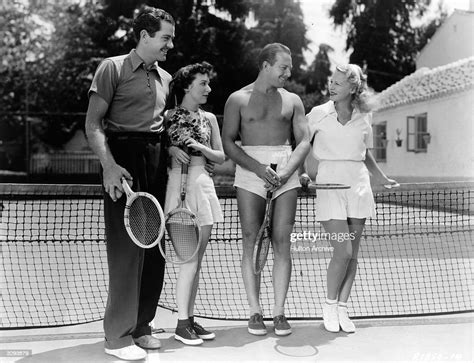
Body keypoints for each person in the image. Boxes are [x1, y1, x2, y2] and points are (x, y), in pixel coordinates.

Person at [85, 6, 175, 361]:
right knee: (126, 250)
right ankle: (117, 336)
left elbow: (161, 127)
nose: (169, 45)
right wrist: (108, 166)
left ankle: (142, 326)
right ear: (144, 36)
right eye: (165, 38)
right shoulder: (112, 67)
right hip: (123, 160)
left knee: (154, 247)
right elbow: (93, 124)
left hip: (156, 161)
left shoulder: (166, 78)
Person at [222, 43, 310, 336]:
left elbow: (304, 142)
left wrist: (287, 171)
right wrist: (259, 169)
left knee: (282, 241)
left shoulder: (294, 100)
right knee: (251, 240)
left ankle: (279, 312)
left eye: (290, 68)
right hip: (250, 172)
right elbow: (228, 143)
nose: (288, 72)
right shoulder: (237, 99)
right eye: (283, 67)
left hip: (285, 169)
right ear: (265, 66)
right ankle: (255, 312)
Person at [303, 64, 398, 333]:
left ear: (353, 88)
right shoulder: (318, 114)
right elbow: (302, 145)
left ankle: (343, 308)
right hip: (330, 182)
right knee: (342, 251)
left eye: (338, 83)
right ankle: (329, 305)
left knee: (353, 254)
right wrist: (303, 174)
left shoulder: (364, 116)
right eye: (331, 81)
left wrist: (381, 178)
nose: (331, 86)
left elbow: (364, 153)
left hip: (358, 183)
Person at [164, 61, 225, 345]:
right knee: (188, 260)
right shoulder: (168, 116)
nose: (208, 88)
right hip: (178, 188)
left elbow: (221, 157)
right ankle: (180, 325)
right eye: (203, 83)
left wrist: (202, 149)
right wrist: (170, 147)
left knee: (196, 262)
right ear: (187, 86)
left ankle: (188, 319)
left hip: (203, 187)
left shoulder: (209, 118)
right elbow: (155, 149)